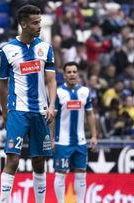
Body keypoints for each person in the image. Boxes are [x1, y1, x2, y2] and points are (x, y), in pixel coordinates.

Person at [0, 5, 57, 203]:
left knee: (39, 161)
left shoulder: (46, 48)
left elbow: (51, 80)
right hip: (18, 110)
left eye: (39, 22)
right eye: (35, 23)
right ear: (23, 24)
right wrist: (6, 113)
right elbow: (2, 85)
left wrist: (51, 105)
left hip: (40, 111)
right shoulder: (7, 50)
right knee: (12, 158)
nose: (39, 26)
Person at [52, 62, 97, 203]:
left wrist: (94, 135)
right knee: (60, 173)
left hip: (81, 141)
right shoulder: (58, 93)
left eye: (74, 72)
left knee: (81, 173)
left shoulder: (85, 92)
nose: (72, 74)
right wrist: (51, 138)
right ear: (64, 75)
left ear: (78, 75)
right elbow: (52, 117)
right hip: (62, 141)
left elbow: (90, 114)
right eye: (69, 72)